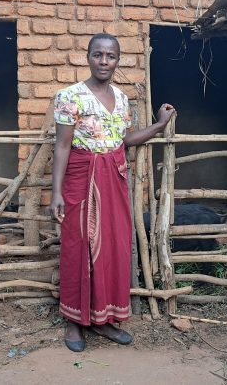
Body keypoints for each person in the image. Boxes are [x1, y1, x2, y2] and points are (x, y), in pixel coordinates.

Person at [49, 33, 176, 352]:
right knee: (78, 244)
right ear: (88, 57)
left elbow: (123, 140)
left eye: (110, 56)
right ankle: (75, 321)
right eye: (98, 55)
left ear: (118, 60)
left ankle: (104, 320)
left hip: (114, 176)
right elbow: (62, 146)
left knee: (112, 247)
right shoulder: (70, 96)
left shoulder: (121, 99)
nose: (104, 61)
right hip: (81, 175)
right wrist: (56, 193)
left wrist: (159, 126)